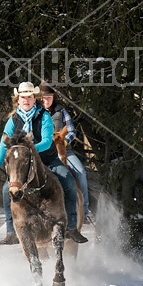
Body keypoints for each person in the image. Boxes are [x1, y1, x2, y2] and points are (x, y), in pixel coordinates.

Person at [0, 81, 88, 245]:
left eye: (29, 97)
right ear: (18, 99)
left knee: (69, 183)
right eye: (22, 97)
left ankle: (71, 227)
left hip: (48, 160)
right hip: (25, 164)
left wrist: (29, 150)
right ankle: (11, 232)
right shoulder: (13, 120)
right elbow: (3, 145)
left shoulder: (44, 116)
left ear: (35, 98)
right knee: (6, 188)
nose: (26, 100)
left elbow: (47, 141)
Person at [39, 82, 91, 223]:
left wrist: (63, 142)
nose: (47, 100)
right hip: (42, 152)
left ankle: (84, 212)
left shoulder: (61, 111)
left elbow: (72, 131)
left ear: (53, 97)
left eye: (49, 97)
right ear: (39, 98)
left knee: (81, 173)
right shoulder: (35, 112)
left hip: (63, 150)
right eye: (44, 97)